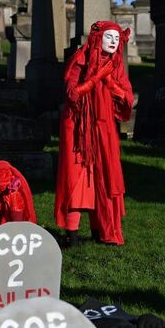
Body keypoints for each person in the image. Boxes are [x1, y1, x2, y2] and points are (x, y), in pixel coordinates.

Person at [55, 21, 134, 247]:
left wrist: (108, 80)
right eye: (109, 37)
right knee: (77, 176)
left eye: (117, 38)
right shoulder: (80, 60)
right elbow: (72, 94)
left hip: (104, 127)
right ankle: (71, 233)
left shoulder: (116, 64)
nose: (113, 42)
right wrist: (97, 77)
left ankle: (102, 230)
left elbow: (126, 99)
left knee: (105, 174)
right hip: (78, 127)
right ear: (98, 38)